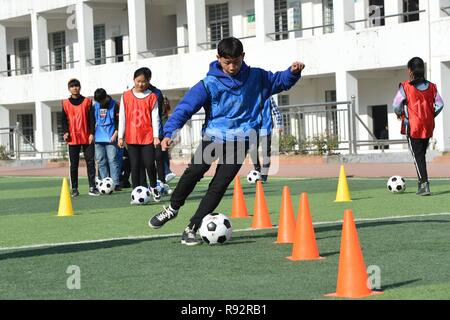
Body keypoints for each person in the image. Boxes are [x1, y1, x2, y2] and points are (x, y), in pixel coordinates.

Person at [148, 37, 304, 245]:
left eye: (236, 62)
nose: (232, 67)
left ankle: (192, 227)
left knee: (219, 185)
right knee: (194, 172)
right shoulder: (208, 84)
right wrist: (169, 132)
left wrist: (292, 73)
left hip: (241, 141)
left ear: (243, 57)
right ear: (218, 58)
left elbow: (279, 81)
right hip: (214, 137)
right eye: (227, 62)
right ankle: (172, 208)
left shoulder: (257, 77)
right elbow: (185, 108)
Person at [392, 57, 444, 196]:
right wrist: (430, 115)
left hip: (413, 126)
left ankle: (424, 185)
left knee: (418, 156)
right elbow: (440, 104)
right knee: (421, 155)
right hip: (428, 126)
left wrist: (401, 114)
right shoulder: (432, 86)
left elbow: (396, 105)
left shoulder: (406, 87)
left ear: (410, 70)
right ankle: (421, 182)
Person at [118, 67, 161, 202]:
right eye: (138, 81)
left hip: (147, 137)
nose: (141, 84)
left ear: (148, 81)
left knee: (149, 164)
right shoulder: (125, 96)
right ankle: (136, 193)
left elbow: (155, 118)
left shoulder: (152, 97)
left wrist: (156, 136)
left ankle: (154, 187)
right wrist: (121, 136)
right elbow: (122, 117)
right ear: (134, 80)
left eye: (144, 81)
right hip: (131, 137)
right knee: (135, 166)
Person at [62, 78, 99, 197]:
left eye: (76, 85)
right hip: (73, 138)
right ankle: (74, 189)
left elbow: (91, 119)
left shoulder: (87, 101)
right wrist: (65, 132)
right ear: (69, 89)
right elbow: (63, 120)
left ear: (80, 87)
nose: (74, 88)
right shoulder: (65, 103)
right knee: (74, 164)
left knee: (90, 162)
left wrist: (92, 133)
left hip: (86, 137)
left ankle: (92, 187)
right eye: (72, 86)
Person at [92, 88, 121, 191]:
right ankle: (105, 182)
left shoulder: (115, 105)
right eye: (98, 101)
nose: (100, 103)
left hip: (111, 137)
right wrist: (92, 134)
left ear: (106, 97)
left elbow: (119, 121)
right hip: (98, 138)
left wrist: (116, 134)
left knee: (112, 160)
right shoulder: (95, 106)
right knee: (100, 161)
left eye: (102, 101)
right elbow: (92, 121)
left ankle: (116, 183)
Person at [250, 96, 283, 183]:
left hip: (266, 128)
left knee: (266, 153)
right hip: (254, 129)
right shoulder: (251, 97)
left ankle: (264, 176)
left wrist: (279, 125)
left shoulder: (269, 98)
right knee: (252, 150)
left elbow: (277, 112)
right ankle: (257, 169)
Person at [161, 96, 176, 183]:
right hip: (162, 133)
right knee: (163, 155)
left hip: (163, 134)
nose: (165, 103)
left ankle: (166, 173)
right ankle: (166, 173)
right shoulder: (164, 116)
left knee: (163, 154)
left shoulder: (165, 117)